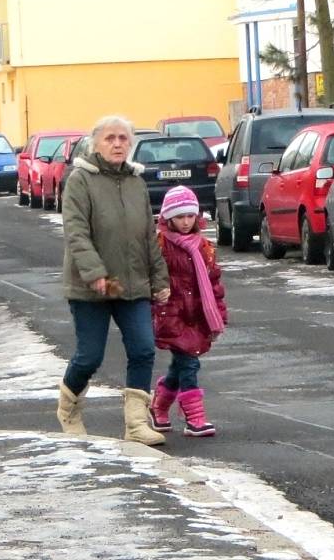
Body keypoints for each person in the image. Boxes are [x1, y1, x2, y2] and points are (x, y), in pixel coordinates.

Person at [58, 115, 171, 446]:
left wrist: (159, 277)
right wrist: (95, 274)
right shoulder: (80, 180)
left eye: (123, 138)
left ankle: (136, 424)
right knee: (89, 356)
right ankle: (69, 410)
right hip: (91, 287)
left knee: (143, 348)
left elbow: (148, 235)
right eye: (110, 138)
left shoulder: (136, 182)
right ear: (96, 143)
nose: (117, 143)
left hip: (133, 285)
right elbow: (76, 232)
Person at [149, 186, 227, 437]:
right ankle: (195, 418)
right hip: (172, 313)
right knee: (189, 363)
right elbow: (155, 278)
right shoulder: (161, 245)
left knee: (180, 365)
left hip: (197, 314)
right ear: (168, 218)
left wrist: (218, 313)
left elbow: (213, 282)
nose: (185, 222)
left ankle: (159, 407)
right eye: (180, 216)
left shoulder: (202, 246)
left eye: (190, 216)